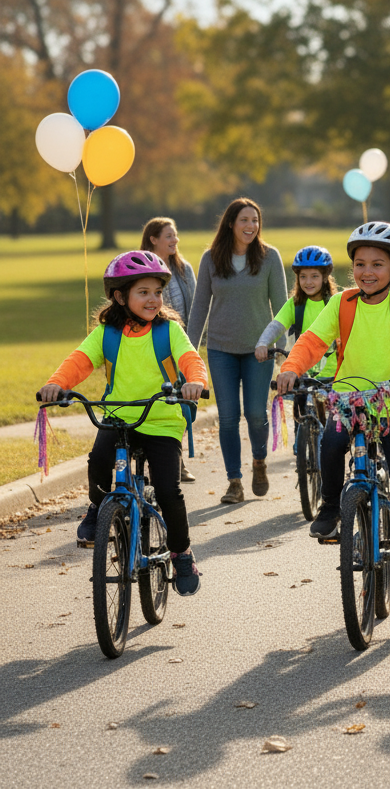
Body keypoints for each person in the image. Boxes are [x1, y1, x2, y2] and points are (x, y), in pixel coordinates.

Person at [277, 222, 390, 595]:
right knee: (331, 442)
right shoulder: (342, 303)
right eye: (360, 264)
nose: (367, 272)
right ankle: (331, 507)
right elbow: (311, 342)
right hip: (349, 399)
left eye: (378, 265)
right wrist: (291, 368)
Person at [39, 251, 206, 596]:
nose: (153, 299)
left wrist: (195, 382)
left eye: (157, 292)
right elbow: (79, 361)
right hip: (119, 416)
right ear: (120, 296)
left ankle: (182, 552)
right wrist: (58, 383)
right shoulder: (108, 334)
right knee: (98, 461)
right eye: (143, 292)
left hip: (161, 419)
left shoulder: (168, 330)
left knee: (168, 490)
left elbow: (190, 358)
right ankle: (99, 507)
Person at [187, 199, 287, 505]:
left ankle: (259, 461)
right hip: (220, 349)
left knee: (256, 414)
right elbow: (200, 307)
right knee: (228, 417)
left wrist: (282, 350)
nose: (251, 226)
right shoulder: (211, 258)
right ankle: (234, 481)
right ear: (231, 223)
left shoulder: (270, 258)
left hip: (259, 351)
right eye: (244, 220)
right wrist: (189, 353)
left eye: (255, 220)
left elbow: (283, 306)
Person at [141, 217, 197, 483]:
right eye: (168, 236)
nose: (174, 240)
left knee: (180, 404)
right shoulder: (141, 268)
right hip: (151, 345)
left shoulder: (184, 268)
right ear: (153, 239)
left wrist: (191, 342)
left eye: (175, 236)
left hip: (179, 343)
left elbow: (195, 308)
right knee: (154, 400)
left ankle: (176, 458)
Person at [255, 246, 338, 378]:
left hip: (334, 376)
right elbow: (276, 326)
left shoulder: (335, 303)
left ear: (324, 277)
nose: (308, 282)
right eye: (303, 276)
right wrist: (263, 343)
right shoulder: (295, 305)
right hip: (301, 375)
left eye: (314, 276)